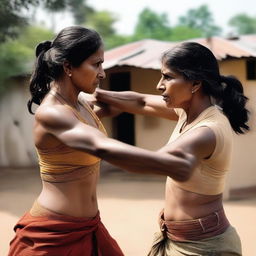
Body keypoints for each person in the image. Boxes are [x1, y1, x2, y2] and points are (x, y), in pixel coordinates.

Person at [94, 42, 250, 255]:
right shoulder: (187, 113)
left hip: (203, 246)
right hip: (177, 238)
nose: (159, 85)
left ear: (195, 83)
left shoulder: (206, 132)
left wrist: (85, 138)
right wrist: (93, 95)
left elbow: (150, 162)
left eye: (167, 77)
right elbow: (140, 102)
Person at [8, 25, 126, 256]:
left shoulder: (82, 105)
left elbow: (132, 103)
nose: (102, 73)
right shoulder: (53, 113)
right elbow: (102, 146)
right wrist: (168, 162)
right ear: (68, 66)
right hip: (53, 236)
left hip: (90, 226)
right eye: (96, 64)